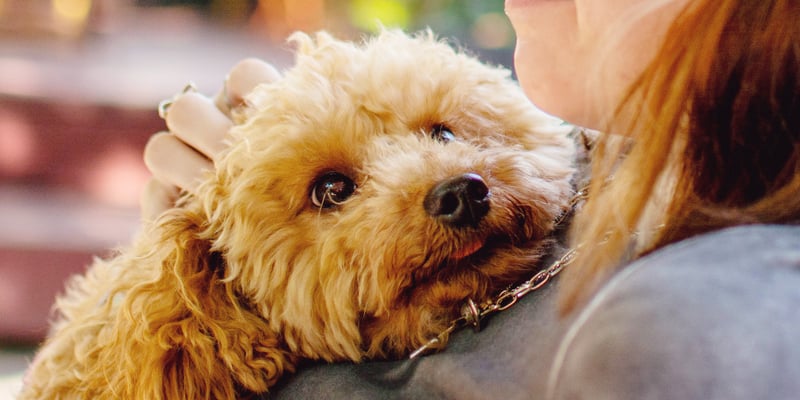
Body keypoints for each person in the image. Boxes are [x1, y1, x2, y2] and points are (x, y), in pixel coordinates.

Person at [143, 0, 800, 398]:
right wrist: (205, 288)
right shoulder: (600, 177)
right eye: (337, 188)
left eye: (443, 132)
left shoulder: (704, 324)